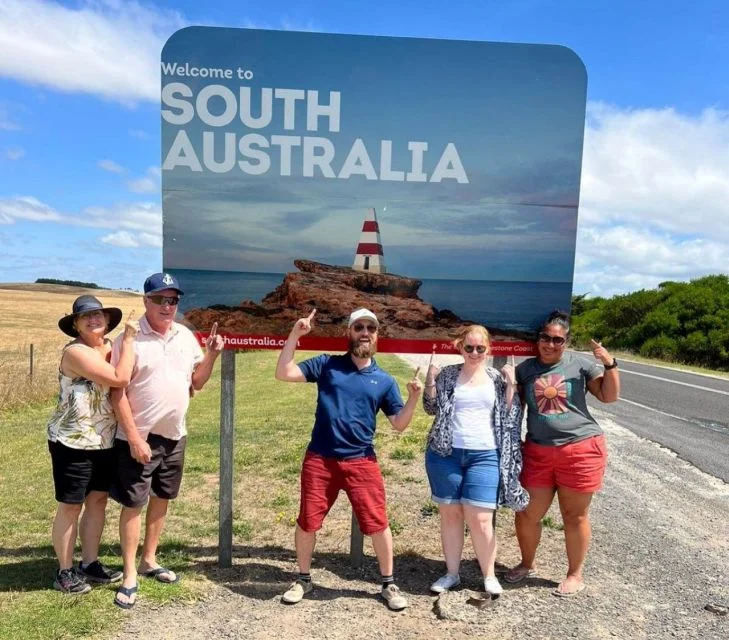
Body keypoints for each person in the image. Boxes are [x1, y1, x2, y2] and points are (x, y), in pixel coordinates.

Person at [275, 308, 423, 611]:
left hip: (362, 461)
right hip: (320, 460)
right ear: (349, 332)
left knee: (378, 523)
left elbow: (399, 423)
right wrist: (294, 335)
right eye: (359, 327)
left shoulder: (384, 380)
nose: (365, 333)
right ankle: (303, 579)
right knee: (308, 521)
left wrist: (413, 398)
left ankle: (388, 584)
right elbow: (283, 372)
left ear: (377, 335)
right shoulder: (326, 365)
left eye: (371, 328)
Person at [109, 273, 224, 609]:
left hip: (174, 435)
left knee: (162, 498)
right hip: (139, 438)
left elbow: (197, 382)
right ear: (145, 301)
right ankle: (130, 573)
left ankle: (149, 560)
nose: (167, 306)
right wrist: (134, 438)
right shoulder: (129, 340)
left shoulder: (185, 336)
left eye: (172, 300)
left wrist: (212, 355)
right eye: (160, 299)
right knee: (133, 504)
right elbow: (117, 393)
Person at [504, 310, 620, 597]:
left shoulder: (580, 366)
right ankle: (526, 563)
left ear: (566, 342)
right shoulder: (525, 370)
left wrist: (610, 364)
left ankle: (574, 574)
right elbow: (514, 408)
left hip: (580, 450)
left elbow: (609, 396)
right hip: (538, 452)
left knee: (574, 515)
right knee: (527, 512)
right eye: (545, 338)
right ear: (538, 339)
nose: (550, 344)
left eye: (558, 340)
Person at [422, 325, 528, 597]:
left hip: (485, 454)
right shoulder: (448, 374)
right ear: (460, 347)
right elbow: (430, 408)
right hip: (445, 454)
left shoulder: (496, 378)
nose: (474, 352)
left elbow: (511, 415)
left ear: (488, 349)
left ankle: (489, 575)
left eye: (480, 348)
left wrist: (512, 385)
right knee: (451, 515)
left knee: (481, 518)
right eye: (469, 347)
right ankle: (452, 573)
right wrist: (430, 381)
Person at [47, 295, 138, 593]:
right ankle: (64, 571)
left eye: (98, 314)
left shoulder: (111, 347)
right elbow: (119, 378)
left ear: (108, 320)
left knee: (98, 500)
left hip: (104, 440)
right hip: (72, 441)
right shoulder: (75, 352)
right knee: (71, 506)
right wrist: (130, 340)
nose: (93, 319)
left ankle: (89, 563)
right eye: (85, 316)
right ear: (75, 324)